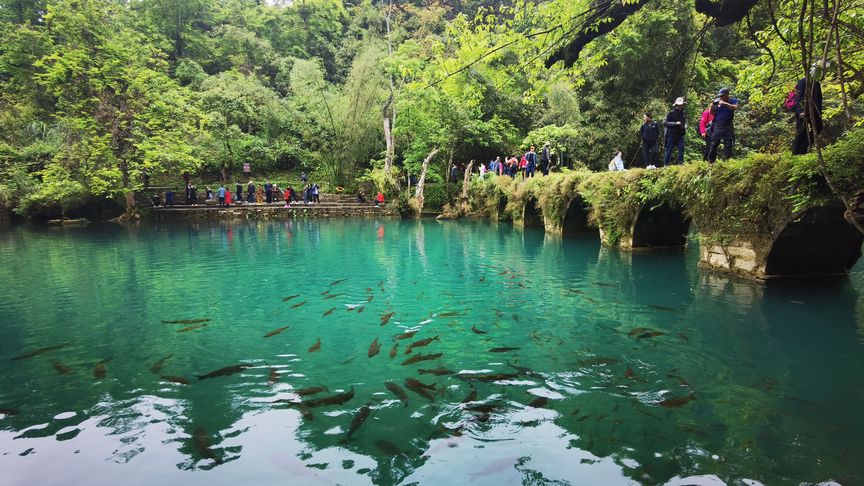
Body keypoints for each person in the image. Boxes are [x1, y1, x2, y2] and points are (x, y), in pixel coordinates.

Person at [792, 77, 823, 155]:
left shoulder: (816, 83)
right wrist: (800, 112)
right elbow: (798, 97)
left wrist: (819, 113)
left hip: (814, 112)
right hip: (803, 112)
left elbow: (819, 99)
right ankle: (796, 152)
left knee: (818, 127)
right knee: (801, 131)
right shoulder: (803, 81)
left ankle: (803, 148)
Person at [707, 87, 739, 163]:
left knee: (728, 144)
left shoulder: (732, 100)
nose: (721, 97)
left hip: (728, 125)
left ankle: (725, 162)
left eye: (722, 96)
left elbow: (735, 107)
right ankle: (711, 162)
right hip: (718, 125)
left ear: (727, 94)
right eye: (720, 96)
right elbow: (712, 113)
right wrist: (712, 107)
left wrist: (724, 103)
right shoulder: (717, 102)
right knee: (714, 144)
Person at [663, 97, 687, 166]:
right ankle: (666, 164)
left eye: (681, 105)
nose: (679, 106)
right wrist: (675, 123)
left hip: (680, 135)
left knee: (681, 149)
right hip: (671, 134)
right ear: (676, 105)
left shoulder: (683, 113)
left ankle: (680, 164)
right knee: (669, 150)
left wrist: (685, 126)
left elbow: (684, 122)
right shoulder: (671, 113)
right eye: (678, 105)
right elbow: (665, 123)